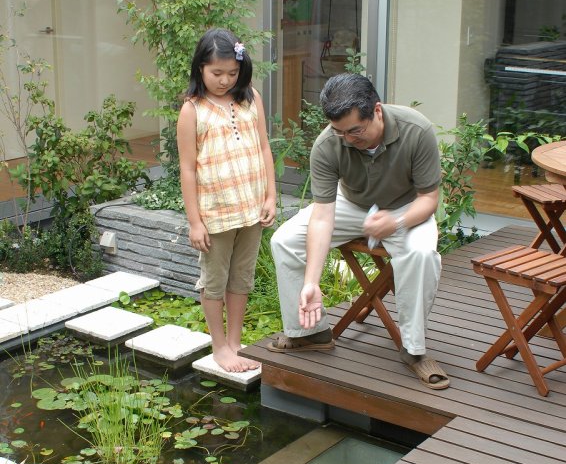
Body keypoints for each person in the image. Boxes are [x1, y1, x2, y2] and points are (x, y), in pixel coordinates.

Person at [269, 73, 450, 390]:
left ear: (376, 111)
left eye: (355, 130)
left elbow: (429, 199)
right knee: (284, 240)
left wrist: (396, 222)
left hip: (407, 206)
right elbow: (322, 216)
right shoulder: (328, 144)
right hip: (350, 203)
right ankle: (311, 333)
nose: (348, 138)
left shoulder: (416, 130)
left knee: (422, 255)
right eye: (340, 132)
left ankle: (413, 350)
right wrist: (311, 282)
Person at [177, 28, 276, 372]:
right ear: (200, 68)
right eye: (216, 73)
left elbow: (264, 148)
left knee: (241, 279)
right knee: (214, 281)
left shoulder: (251, 98)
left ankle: (235, 342)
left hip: (251, 209)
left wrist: (271, 196)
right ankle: (219, 346)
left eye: (232, 73)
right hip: (216, 214)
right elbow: (187, 168)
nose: (224, 80)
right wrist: (195, 222)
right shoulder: (192, 110)